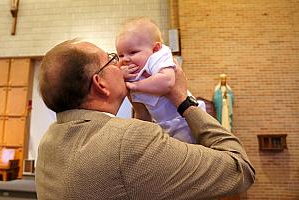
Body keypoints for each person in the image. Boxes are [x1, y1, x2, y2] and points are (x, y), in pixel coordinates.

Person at [35, 39, 255, 200]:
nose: (121, 65)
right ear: (100, 84)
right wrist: (183, 100)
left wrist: (141, 111)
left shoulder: (49, 141)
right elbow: (239, 169)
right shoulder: (130, 141)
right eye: (112, 60)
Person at [116, 17, 206, 143]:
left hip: (184, 120)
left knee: (186, 152)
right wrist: (121, 75)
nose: (125, 59)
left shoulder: (158, 58)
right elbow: (141, 114)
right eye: (120, 55)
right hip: (163, 124)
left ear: (155, 49)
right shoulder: (133, 73)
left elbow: (167, 82)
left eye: (133, 52)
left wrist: (136, 86)